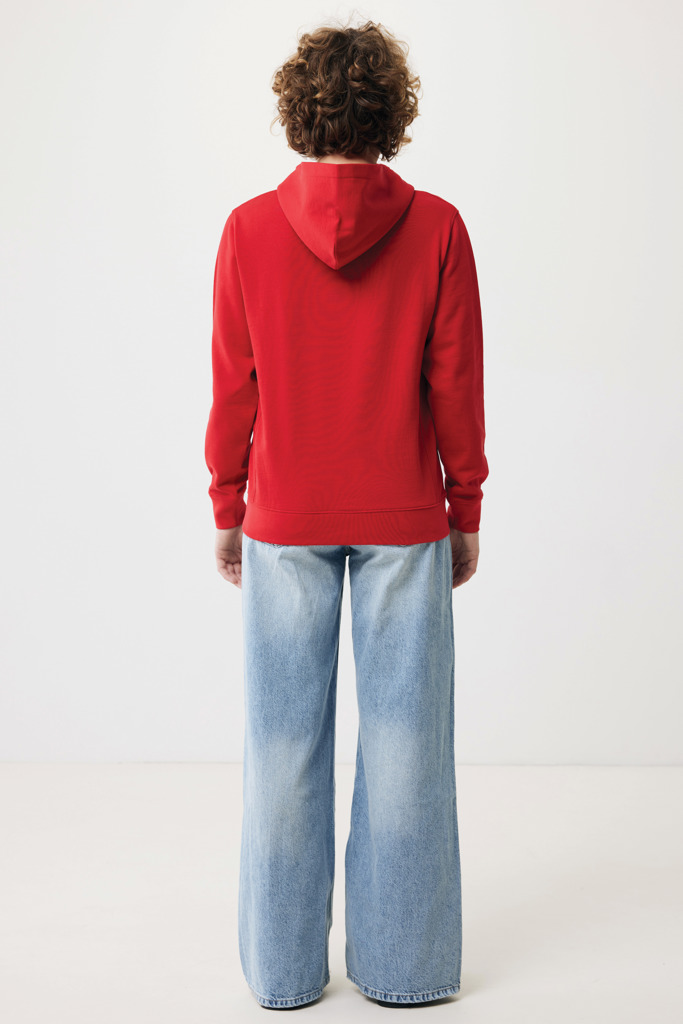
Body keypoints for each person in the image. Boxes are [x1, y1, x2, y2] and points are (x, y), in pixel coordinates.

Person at [204, 19, 489, 1010]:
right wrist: (463, 504)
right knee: (407, 749)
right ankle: (404, 970)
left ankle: (283, 974)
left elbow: (232, 387)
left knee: (281, 748)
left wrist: (227, 502)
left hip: (284, 514)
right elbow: (455, 385)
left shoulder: (246, 230)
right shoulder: (437, 228)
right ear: (390, 115)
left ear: (297, 112)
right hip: (403, 513)